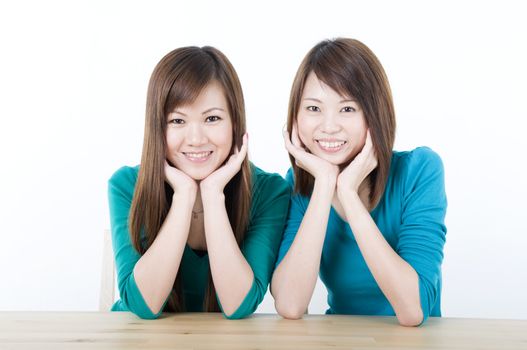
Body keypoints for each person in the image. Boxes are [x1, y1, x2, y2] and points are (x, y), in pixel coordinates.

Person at [271, 38, 447, 326]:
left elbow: (413, 310)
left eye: (348, 109)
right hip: (342, 339)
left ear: (375, 114)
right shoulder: (299, 186)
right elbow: (290, 304)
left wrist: (349, 195)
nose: (328, 126)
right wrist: (325, 183)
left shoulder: (420, 170)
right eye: (314, 109)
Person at [108, 46, 290, 319]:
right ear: (157, 128)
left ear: (235, 122)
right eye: (177, 120)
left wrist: (213, 193)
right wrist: (183, 196)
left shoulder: (270, 192)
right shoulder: (126, 185)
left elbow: (238, 305)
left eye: (212, 118)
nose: (195, 138)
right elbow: (143, 306)